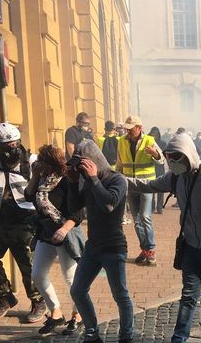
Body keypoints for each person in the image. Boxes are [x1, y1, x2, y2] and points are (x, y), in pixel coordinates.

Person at [126, 132, 201, 343]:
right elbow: (147, 185)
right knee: (188, 296)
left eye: (176, 157)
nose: (171, 162)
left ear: (188, 154)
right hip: (191, 248)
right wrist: (113, 178)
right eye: (169, 158)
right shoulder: (176, 177)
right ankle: (179, 338)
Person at [0, 122, 47, 323]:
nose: (11, 151)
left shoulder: (32, 162)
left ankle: (38, 300)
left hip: (26, 222)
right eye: (5, 148)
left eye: (14, 145)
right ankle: (5, 297)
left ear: (19, 142)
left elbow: (47, 189)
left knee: (29, 264)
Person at [68, 140, 134, 343]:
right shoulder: (88, 182)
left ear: (94, 161)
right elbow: (73, 208)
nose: (80, 170)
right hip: (93, 247)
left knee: (120, 295)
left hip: (113, 247)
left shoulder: (118, 180)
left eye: (81, 165)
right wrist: (72, 182)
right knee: (77, 290)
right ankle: (92, 332)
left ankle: (126, 336)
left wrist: (94, 179)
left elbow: (108, 204)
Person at [25, 145, 85, 336]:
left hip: (65, 233)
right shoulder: (42, 179)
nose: (38, 164)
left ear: (51, 162)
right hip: (46, 233)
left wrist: (64, 229)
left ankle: (78, 314)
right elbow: (28, 196)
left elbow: (77, 213)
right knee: (38, 274)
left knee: (71, 278)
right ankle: (56, 312)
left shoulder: (67, 180)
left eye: (42, 160)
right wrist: (34, 176)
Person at [116, 115, 163, 266]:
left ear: (139, 128)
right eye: (126, 129)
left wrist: (155, 154)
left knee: (145, 217)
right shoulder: (122, 141)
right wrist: (117, 180)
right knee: (136, 220)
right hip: (130, 184)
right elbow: (119, 163)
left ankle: (151, 251)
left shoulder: (149, 140)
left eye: (131, 129)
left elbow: (161, 159)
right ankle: (145, 250)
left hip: (146, 184)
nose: (128, 132)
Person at [148, 127, 167, 214]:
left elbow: (166, 155)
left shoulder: (163, 143)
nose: (154, 135)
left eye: (156, 134)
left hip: (159, 167)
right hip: (151, 167)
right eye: (153, 134)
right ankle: (153, 206)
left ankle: (159, 207)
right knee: (152, 187)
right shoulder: (149, 142)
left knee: (160, 188)